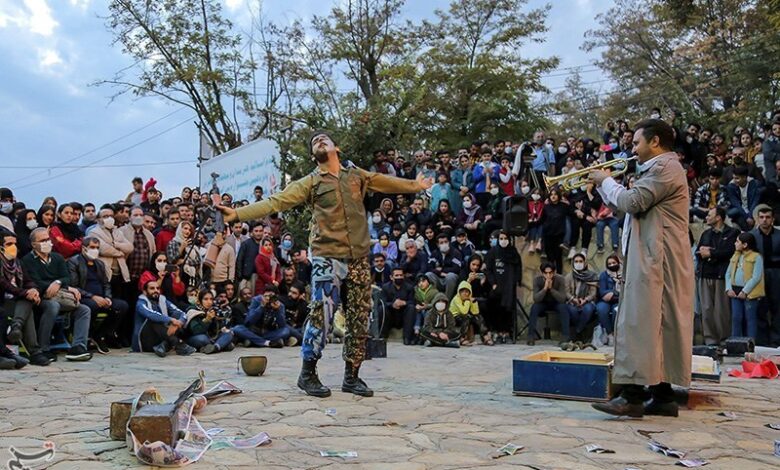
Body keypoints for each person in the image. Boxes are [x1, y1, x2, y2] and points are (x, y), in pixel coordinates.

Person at [217, 130, 432, 398]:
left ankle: (352, 376)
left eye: (324, 139)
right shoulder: (310, 182)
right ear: (312, 155)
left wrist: (415, 186)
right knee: (322, 314)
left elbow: (382, 181)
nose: (319, 142)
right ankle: (308, 373)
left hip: (357, 257)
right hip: (326, 256)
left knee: (359, 315)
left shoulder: (356, 176)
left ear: (336, 148)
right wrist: (237, 213)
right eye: (315, 142)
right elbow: (277, 201)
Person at [590, 118, 694, 418]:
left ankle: (632, 396)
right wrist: (603, 185)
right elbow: (628, 203)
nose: (632, 148)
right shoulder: (659, 169)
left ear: (655, 142)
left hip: (657, 260)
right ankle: (662, 396)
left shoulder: (664, 168)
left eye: (636, 142)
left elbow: (632, 201)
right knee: (653, 327)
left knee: (639, 323)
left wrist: (604, 181)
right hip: (651, 256)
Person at [21, 228, 92, 361]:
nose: (47, 242)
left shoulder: (57, 257)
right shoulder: (27, 260)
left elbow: (66, 277)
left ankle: (78, 347)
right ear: (33, 244)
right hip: (40, 297)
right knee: (53, 306)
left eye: (48, 239)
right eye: (42, 240)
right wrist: (52, 285)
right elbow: (35, 281)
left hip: (59, 294)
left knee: (84, 309)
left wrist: (58, 283)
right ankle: (44, 348)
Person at [0, 228, 52, 366]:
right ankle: (34, 352)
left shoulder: (17, 262)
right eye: (9, 244)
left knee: (27, 302)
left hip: (17, 301)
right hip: (4, 301)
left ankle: (16, 327)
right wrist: (25, 293)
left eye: (15, 244)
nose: (13, 247)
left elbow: (28, 280)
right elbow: (4, 284)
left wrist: (33, 289)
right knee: (26, 303)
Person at [67, 237, 130, 352]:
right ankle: (88, 336)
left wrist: (107, 297)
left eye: (97, 248)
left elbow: (106, 284)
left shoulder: (100, 263)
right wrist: (92, 296)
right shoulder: (74, 262)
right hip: (84, 297)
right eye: (92, 247)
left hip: (101, 297)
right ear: (83, 248)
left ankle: (100, 334)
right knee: (93, 305)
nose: (95, 250)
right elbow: (74, 285)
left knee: (122, 306)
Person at [695, 207, 739, 346]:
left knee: (722, 311)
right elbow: (699, 251)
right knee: (706, 309)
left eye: (709, 215)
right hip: (705, 275)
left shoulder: (732, 232)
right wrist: (705, 253)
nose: (706, 217)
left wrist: (711, 253)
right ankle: (710, 341)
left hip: (721, 276)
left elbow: (729, 251)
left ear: (719, 217)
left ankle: (723, 340)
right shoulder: (706, 233)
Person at [132, 280, 195, 356]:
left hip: (161, 337)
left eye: (157, 288)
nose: (156, 290)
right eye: (152, 288)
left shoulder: (163, 300)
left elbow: (182, 313)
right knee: (153, 320)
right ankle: (178, 344)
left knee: (178, 321)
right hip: (144, 341)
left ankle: (162, 346)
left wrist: (178, 323)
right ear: (145, 291)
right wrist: (170, 320)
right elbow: (150, 314)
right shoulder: (141, 302)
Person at [484, 230, 522, 343]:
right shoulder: (493, 252)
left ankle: (506, 332)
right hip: (496, 286)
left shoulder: (513, 252)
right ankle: (498, 332)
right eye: (501, 238)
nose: (503, 241)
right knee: (496, 308)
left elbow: (518, 267)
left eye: (505, 238)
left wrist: (517, 281)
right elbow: (488, 269)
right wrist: (493, 283)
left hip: (509, 287)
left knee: (508, 309)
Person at [750, 205, 780, 346]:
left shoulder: (779, 235)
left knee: (777, 306)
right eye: (761, 217)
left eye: (767, 217)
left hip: (776, 272)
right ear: (757, 219)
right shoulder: (752, 236)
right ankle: (762, 340)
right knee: (760, 306)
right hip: (758, 274)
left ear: (773, 219)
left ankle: (776, 339)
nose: (764, 220)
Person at [726, 232, 764, 340]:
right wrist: (728, 288)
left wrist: (745, 291)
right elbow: (728, 274)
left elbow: (756, 277)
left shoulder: (756, 257)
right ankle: (735, 343)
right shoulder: (736, 256)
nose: (735, 243)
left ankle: (751, 344)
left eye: (737, 241)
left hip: (749, 293)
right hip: (735, 291)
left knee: (750, 319)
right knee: (736, 318)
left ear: (745, 244)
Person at [91, 205, 134, 300]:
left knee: (120, 301)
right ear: (98, 219)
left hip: (120, 274)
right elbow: (104, 249)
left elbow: (130, 247)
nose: (109, 218)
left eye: (111, 216)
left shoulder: (118, 232)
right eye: (105, 216)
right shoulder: (94, 232)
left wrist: (115, 244)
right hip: (105, 274)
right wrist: (120, 253)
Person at [184, 290, 235, 354]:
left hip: (211, 338)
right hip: (195, 338)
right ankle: (221, 345)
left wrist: (221, 327)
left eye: (211, 299)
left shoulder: (212, 310)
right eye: (206, 299)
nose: (209, 302)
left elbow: (216, 330)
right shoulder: (192, 311)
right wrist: (207, 319)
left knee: (229, 334)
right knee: (203, 338)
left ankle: (215, 347)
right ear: (199, 300)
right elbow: (196, 331)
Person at [564, 253, 598, 342]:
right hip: (572, 301)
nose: (578, 263)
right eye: (576, 261)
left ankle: (577, 331)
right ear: (573, 263)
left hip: (587, 302)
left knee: (588, 310)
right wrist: (573, 299)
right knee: (573, 311)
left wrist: (585, 300)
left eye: (580, 261)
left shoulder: (592, 276)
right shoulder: (568, 276)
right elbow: (566, 292)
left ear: (585, 263)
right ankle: (581, 333)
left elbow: (593, 293)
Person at [380, 267, 417, 345]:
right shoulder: (385, 287)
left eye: (401, 275)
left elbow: (413, 301)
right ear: (391, 277)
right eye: (397, 275)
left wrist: (404, 303)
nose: (399, 277)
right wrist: (392, 304)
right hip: (391, 315)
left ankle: (407, 338)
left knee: (411, 308)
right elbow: (382, 302)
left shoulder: (409, 287)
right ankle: (382, 336)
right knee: (382, 308)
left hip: (403, 315)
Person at [449, 280, 490, 346]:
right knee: (466, 317)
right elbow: (464, 311)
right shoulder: (456, 299)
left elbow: (475, 312)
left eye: (467, 291)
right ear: (459, 292)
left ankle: (485, 336)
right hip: (454, 316)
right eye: (462, 291)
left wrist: (474, 302)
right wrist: (468, 301)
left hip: (464, 316)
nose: (465, 293)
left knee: (478, 317)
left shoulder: (468, 298)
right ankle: (462, 338)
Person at [595, 255, 622, 346]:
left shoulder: (624, 274)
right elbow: (602, 291)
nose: (612, 265)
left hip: (619, 300)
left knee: (616, 311)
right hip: (605, 301)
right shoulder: (604, 275)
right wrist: (614, 292)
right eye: (609, 264)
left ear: (618, 262)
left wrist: (613, 293)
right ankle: (609, 334)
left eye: (614, 263)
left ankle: (615, 334)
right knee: (601, 309)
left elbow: (626, 290)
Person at [726, 165, 763, 230]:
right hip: (739, 209)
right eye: (734, 178)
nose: (734, 180)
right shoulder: (731, 186)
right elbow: (735, 203)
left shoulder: (755, 184)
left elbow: (755, 202)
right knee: (731, 212)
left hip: (752, 209)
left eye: (737, 178)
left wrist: (750, 216)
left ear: (744, 178)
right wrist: (747, 217)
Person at [166, 221, 201, 287]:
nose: (187, 231)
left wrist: (184, 261)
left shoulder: (192, 245)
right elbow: (171, 260)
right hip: (177, 276)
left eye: (190, 230)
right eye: (185, 228)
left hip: (191, 278)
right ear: (180, 229)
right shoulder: (173, 243)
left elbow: (198, 261)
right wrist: (181, 247)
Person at [428, 233, 463, 299]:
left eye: (446, 242)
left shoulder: (455, 253)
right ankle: (436, 299)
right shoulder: (435, 253)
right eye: (441, 242)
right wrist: (440, 273)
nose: (444, 244)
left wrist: (442, 270)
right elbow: (429, 267)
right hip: (439, 278)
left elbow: (457, 269)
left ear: (449, 242)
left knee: (451, 276)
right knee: (429, 274)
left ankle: (446, 300)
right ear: (438, 244)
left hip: (451, 279)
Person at [236, 224, 263, 295]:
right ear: (252, 232)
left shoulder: (265, 244)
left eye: (260, 231)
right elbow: (239, 260)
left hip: (261, 278)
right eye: (256, 231)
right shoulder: (246, 244)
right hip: (247, 278)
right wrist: (240, 277)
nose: (258, 233)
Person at [413, 272, 439, 343]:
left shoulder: (434, 291)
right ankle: (416, 329)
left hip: (430, 310)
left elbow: (436, 303)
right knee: (417, 313)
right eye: (419, 282)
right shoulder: (415, 291)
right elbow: (414, 301)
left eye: (423, 281)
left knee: (427, 313)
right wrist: (417, 305)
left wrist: (426, 306)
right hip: (420, 310)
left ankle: (426, 330)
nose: (421, 283)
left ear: (428, 282)